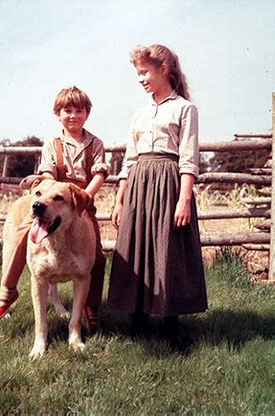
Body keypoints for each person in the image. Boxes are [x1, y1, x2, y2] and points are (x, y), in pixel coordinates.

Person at [108, 44, 207, 338]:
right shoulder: (140, 114)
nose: (140, 79)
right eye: (137, 73)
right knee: (136, 244)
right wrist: (119, 197)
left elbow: (188, 158)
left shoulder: (185, 109)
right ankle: (136, 318)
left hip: (168, 181)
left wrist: (184, 200)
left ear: (163, 70)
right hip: (139, 182)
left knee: (168, 247)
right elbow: (129, 159)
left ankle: (170, 320)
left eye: (144, 72)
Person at [0, 86, 108, 332]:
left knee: (96, 257)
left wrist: (85, 198)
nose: (73, 115)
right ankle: (8, 289)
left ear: (87, 114)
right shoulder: (52, 144)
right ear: (58, 114)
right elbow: (47, 174)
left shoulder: (95, 143)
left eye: (79, 110)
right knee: (24, 235)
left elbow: (99, 174)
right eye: (67, 110)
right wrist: (51, 189)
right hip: (54, 196)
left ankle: (91, 307)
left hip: (82, 202)